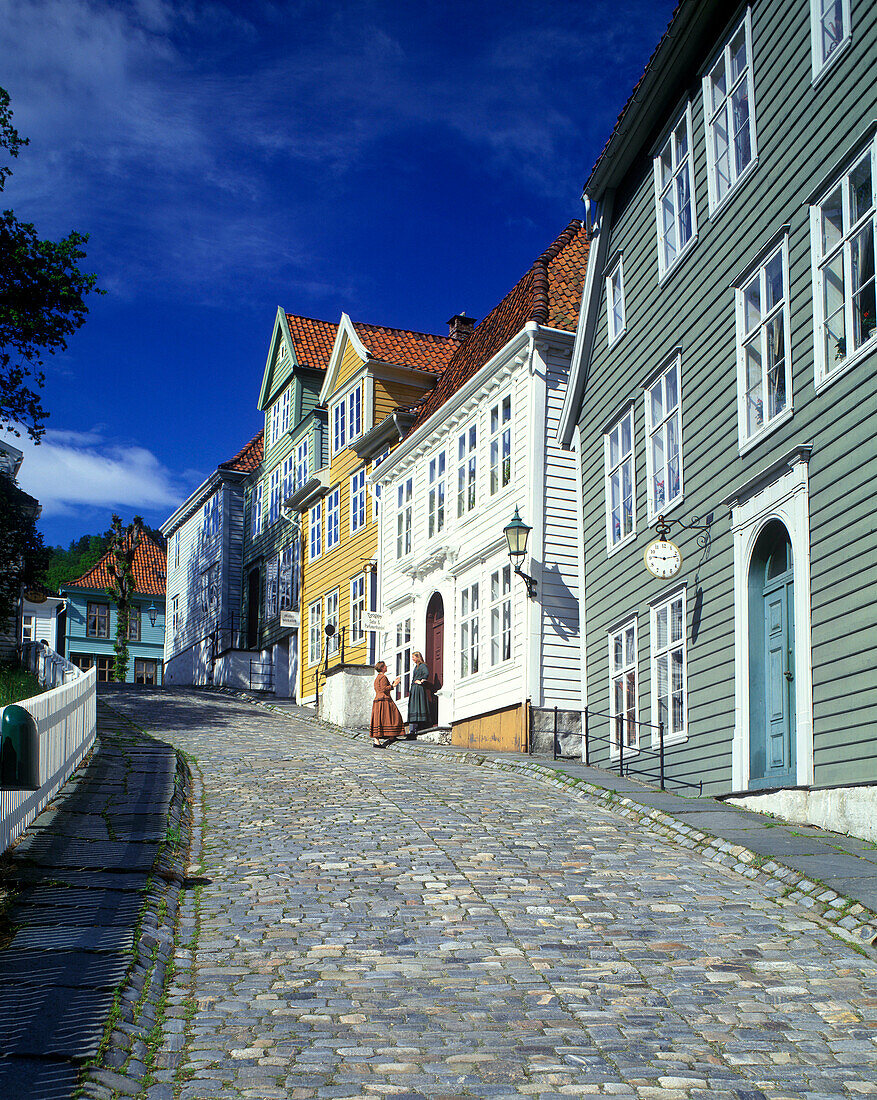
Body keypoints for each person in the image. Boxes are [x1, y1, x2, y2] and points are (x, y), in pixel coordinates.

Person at [370, 661, 404, 747]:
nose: (386, 667)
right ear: (382, 668)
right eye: (385, 666)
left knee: (379, 719)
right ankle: (385, 737)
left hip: (378, 700)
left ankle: (384, 738)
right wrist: (394, 685)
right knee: (393, 716)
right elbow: (384, 689)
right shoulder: (383, 677)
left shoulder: (377, 678)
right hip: (384, 700)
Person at [407, 651, 431, 737]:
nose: (412, 659)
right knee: (414, 706)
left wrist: (421, 681)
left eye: (413, 657)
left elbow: (426, 674)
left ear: (417, 657)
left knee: (418, 706)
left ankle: (418, 727)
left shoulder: (422, 666)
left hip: (418, 689)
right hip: (414, 689)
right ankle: (413, 729)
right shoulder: (416, 667)